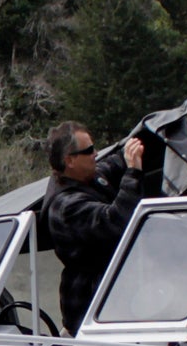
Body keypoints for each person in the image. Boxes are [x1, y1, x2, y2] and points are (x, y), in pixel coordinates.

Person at [37, 122, 156, 332]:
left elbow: (112, 163)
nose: (96, 153)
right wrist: (133, 173)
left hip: (113, 302)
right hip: (91, 312)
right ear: (70, 160)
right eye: (89, 150)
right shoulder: (67, 206)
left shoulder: (86, 177)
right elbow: (116, 222)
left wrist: (144, 138)